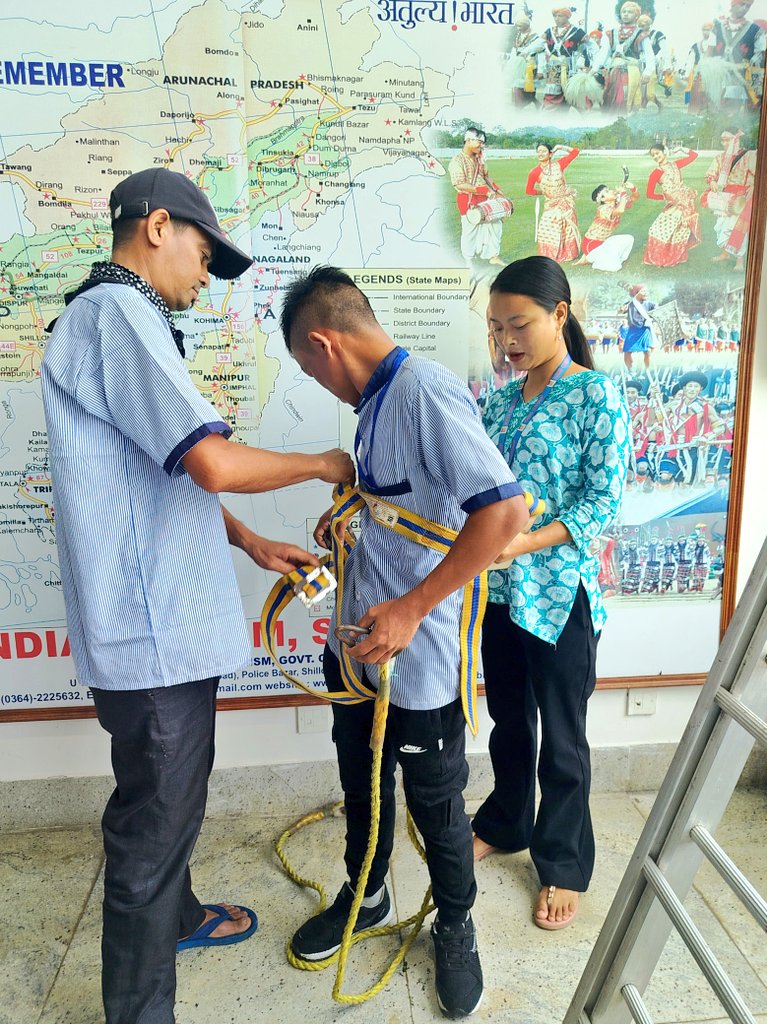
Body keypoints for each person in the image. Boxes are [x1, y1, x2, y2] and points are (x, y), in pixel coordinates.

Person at [40, 168, 356, 1024]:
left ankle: (177, 918)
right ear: (154, 227)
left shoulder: (119, 319)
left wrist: (253, 542)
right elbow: (211, 461)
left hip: (165, 623)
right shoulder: (119, 315)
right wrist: (328, 463)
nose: (202, 277)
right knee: (152, 822)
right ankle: (140, 1011)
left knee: (171, 795)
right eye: (201, 253)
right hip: (154, 637)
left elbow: (160, 477)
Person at [279, 266, 529, 1018]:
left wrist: (415, 608)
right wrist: (352, 514)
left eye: (306, 368)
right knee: (362, 783)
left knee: (436, 804)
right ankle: (371, 891)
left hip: (413, 663)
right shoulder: (377, 399)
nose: (316, 383)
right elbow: (412, 511)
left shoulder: (421, 390)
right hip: (358, 647)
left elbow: (504, 513)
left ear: (324, 343)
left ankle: (455, 924)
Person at [472, 256, 631, 931]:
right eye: (496, 327)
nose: (508, 340)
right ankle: (508, 822)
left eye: (520, 324)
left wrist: (521, 543)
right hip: (500, 593)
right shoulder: (501, 398)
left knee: (562, 739)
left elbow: (603, 504)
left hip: (561, 596)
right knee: (511, 722)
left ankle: (563, 864)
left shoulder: (595, 395)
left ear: (559, 316)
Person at [449, 127, 509, 267]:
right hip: (468, 199)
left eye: (483, 143)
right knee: (470, 230)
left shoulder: (479, 158)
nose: (482, 146)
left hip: (486, 197)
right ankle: (468, 260)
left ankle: (493, 255)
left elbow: (486, 176)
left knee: (495, 225)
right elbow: (460, 184)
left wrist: (497, 190)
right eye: (480, 142)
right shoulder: (457, 161)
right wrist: (483, 190)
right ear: (469, 140)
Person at [701, 130, 756, 273]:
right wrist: (712, 181)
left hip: (741, 197)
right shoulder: (720, 158)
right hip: (724, 197)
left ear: (736, 139)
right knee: (721, 226)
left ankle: (739, 261)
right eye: (722, 140)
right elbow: (711, 173)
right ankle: (724, 254)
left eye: (727, 140)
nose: (724, 143)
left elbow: (759, 173)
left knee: (737, 228)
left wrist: (754, 186)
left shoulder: (748, 155)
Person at [644, 143, 701, 268]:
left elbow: (694, 155)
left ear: (664, 152)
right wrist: (665, 197)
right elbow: (649, 194)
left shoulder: (676, 164)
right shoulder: (655, 173)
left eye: (657, 153)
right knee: (656, 230)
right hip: (673, 205)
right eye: (653, 155)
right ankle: (665, 256)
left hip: (685, 202)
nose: (655, 156)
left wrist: (681, 148)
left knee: (682, 230)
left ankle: (678, 256)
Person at [526, 142, 581, 263]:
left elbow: (576, 152)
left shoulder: (559, 165)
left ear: (550, 154)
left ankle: (569, 254)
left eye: (544, 151)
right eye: (538, 151)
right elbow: (529, 191)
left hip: (565, 202)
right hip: (550, 204)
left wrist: (560, 147)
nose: (540, 154)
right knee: (547, 227)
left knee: (566, 228)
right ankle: (549, 255)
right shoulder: (534, 172)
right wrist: (543, 193)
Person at [596, 2, 656, 111]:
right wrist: (594, 69)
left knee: (626, 98)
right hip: (613, 72)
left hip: (631, 72)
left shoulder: (641, 34)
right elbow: (603, 53)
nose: (626, 14)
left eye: (630, 12)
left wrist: (647, 72)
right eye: (623, 12)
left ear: (637, 16)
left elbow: (649, 55)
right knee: (609, 98)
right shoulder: (612, 33)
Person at [575, 177, 638, 272]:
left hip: (603, 242)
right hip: (592, 245)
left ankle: (600, 257)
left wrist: (633, 188)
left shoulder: (617, 202)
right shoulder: (603, 209)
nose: (612, 190)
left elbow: (634, 198)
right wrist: (622, 193)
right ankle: (590, 258)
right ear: (603, 199)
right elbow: (620, 210)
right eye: (608, 191)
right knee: (616, 267)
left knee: (629, 239)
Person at [619, 284, 656, 371]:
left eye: (646, 291)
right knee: (627, 352)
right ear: (637, 293)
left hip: (644, 330)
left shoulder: (650, 304)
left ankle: (647, 370)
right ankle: (630, 370)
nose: (646, 293)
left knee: (647, 351)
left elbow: (658, 312)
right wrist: (621, 310)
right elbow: (620, 311)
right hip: (632, 331)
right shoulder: (630, 304)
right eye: (643, 291)